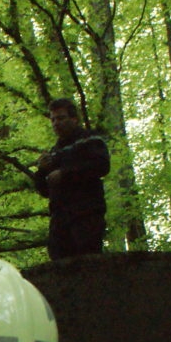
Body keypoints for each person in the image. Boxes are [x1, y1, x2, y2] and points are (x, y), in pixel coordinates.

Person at [34, 98, 110, 260]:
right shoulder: (54, 152)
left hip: (86, 214)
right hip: (60, 219)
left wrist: (65, 174)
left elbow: (101, 165)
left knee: (87, 262)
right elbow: (44, 189)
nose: (56, 123)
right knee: (59, 265)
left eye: (61, 118)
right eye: (53, 119)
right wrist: (41, 170)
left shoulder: (90, 140)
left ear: (74, 119)